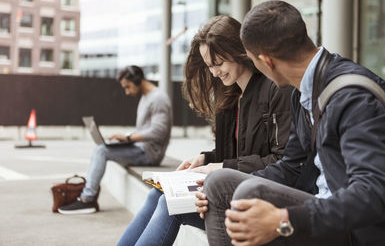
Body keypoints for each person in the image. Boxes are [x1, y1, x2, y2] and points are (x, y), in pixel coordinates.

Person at [201, 0, 385, 246]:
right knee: (218, 184)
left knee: (248, 194)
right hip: (322, 207)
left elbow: (374, 194)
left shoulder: (353, 99)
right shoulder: (303, 92)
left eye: (254, 61)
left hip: (356, 228)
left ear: (267, 61)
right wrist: (208, 187)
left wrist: (283, 219)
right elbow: (292, 167)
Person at [117, 15, 293, 246]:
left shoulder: (274, 90)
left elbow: (283, 162)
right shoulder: (230, 98)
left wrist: (218, 167)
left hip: (261, 205)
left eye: (218, 63)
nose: (214, 73)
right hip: (232, 192)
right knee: (158, 194)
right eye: (209, 66)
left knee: (168, 203)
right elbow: (235, 155)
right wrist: (205, 159)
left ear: (238, 50)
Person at [58, 65, 172, 215]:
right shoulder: (147, 97)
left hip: (150, 153)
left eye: (128, 86)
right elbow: (145, 129)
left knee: (101, 151)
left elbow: (159, 131)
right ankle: (87, 196)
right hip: (140, 148)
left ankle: (87, 200)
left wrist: (129, 138)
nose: (127, 92)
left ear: (137, 80)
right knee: (102, 147)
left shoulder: (158, 99)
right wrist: (125, 137)